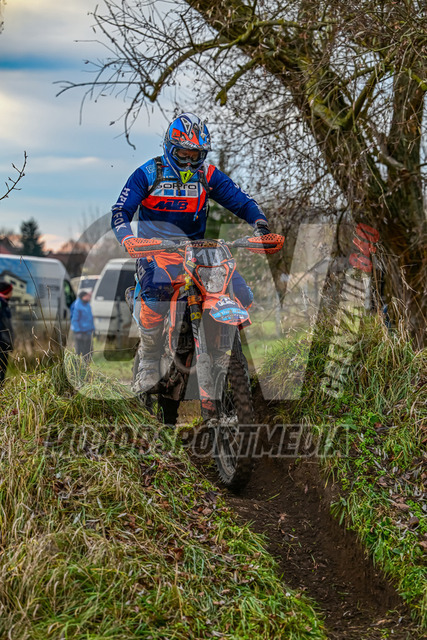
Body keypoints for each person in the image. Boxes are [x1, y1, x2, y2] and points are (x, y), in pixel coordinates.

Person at [111, 112, 272, 392]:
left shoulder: (207, 175)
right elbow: (120, 211)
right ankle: (148, 360)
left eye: (195, 155)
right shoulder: (148, 174)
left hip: (196, 253)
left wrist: (260, 225)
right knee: (157, 292)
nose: (188, 162)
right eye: (183, 154)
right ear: (169, 148)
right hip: (155, 252)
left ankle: (225, 352)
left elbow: (243, 202)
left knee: (241, 293)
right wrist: (128, 239)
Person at [70, 290, 95, 361]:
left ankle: (87, 363)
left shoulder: (87, 305)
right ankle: (79, 363)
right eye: (87, 296)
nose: (89, 298)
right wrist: (77, 331)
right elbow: (74, 319)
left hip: (88, 332)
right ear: (83, 297)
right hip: (80, 332)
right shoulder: (77, 305)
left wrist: (93, 328)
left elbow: (90, 318)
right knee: (79, 350)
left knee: (89, 350)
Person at [0, 282, 14, 388]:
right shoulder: (1, 304)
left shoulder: (4, 303)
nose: (12, 294)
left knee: (3, 368)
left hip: (4, 341)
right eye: (11, 291)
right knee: (1, 368)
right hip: (2, 342)